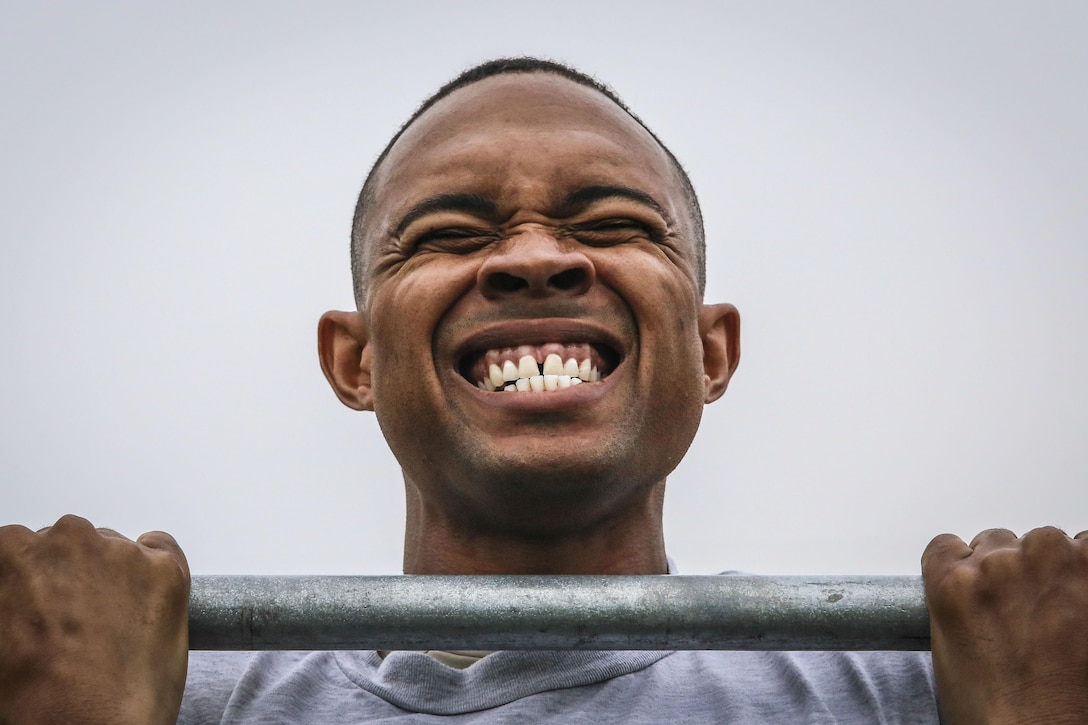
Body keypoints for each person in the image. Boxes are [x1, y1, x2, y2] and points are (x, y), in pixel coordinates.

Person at [1, 57, 1086, 724]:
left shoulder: (939, 687)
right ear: (355, 358)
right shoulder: (134, 693)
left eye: (611, 222)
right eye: (446, 234)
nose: (530, 257)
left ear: (710, 351)